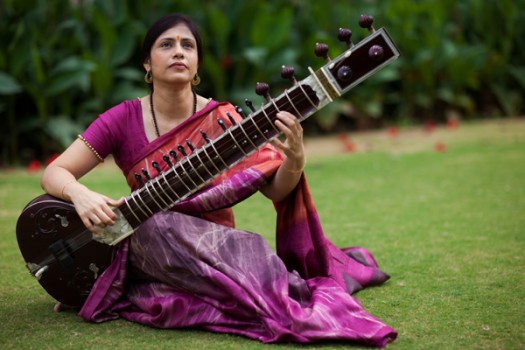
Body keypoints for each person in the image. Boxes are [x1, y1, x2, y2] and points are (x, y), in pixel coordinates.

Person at [41, 13, 397, 347]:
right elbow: (54, 173)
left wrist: (295, 158)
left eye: (188, 45)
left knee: (181, 230)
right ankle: (244, 286)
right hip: (153, 245)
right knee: (155, 224)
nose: (178, 51)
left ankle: (243, 284)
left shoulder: (225, 120)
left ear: (196, 65)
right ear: (147, 64)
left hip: (219, 250)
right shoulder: (122, 119)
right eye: (166, 44)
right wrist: (78, 193)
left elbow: (276, 189)